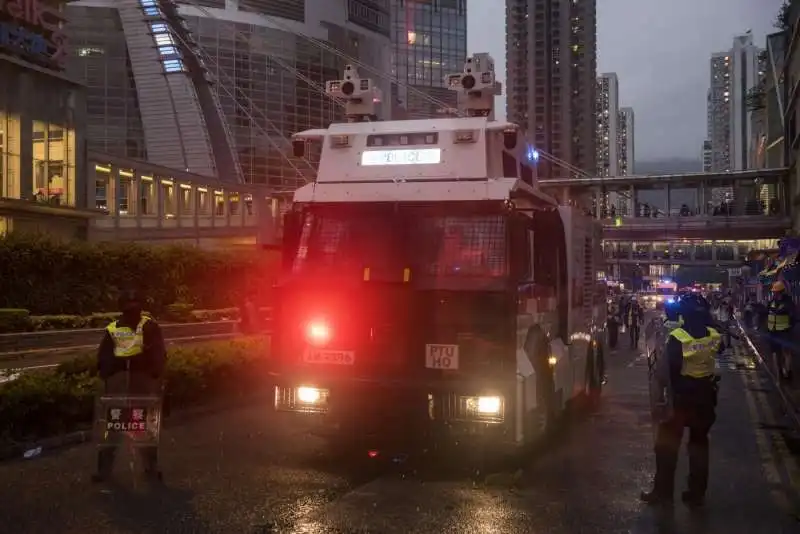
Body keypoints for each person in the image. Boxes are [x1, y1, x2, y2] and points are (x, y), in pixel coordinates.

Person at [641, 293, 722, 507]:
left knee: (666, 448)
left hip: (680, 402)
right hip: (704, 400)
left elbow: (667, 371)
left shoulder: (678, 337)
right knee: (698, 446)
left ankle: (663, 493)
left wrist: (659, 400)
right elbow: (718, 353)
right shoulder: (713, 335)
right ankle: (696, 493)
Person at [92, 289, 167, 483]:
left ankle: (145, 468)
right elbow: (104, 358)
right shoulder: (120, 328)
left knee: (134, 427)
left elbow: (158, 356)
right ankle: (110, 470)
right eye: (129, 307)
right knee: (124, 427)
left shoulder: (147, 327)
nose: (132, 311)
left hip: (135, 385)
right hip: (126, 385)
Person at [767, 281, 795, 381]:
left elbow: (793, 316)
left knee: (786, 352)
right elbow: (767, 313)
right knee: (776, 353)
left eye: (776, 292)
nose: (774, 294)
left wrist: (790, 326)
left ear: (781, 292)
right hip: (773, 332)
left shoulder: (788, 302)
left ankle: (788, 371)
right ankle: (779, 372)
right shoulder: (772, 302)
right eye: (774, 292)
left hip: (784, 331)